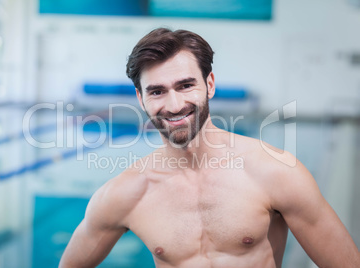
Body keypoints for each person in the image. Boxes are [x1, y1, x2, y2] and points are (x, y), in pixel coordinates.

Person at [59, 28, 360, 268]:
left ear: (210, 84)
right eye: (157, 91)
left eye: (186, 85)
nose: (174, 105)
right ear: (141, 98)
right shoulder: (125, 194)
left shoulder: (275, 172)